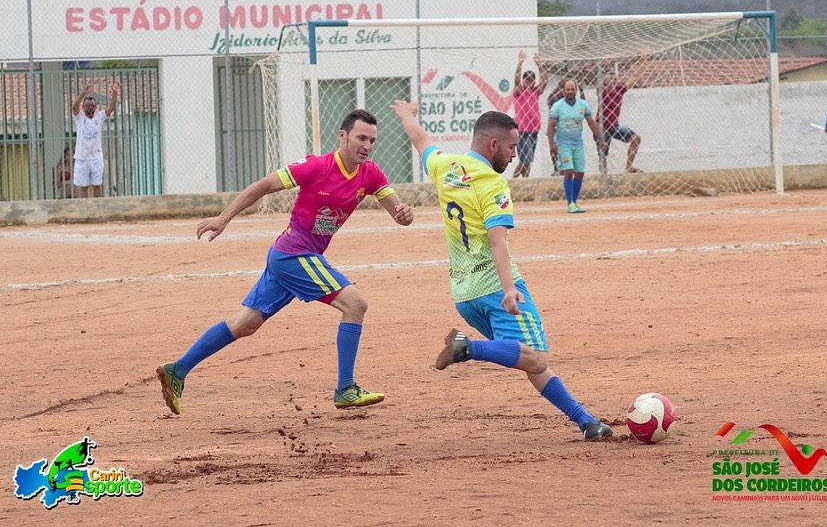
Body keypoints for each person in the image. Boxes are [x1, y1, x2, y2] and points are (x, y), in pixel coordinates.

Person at [156, 109, 414, 415]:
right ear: (342, 136)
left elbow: (398, 212)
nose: (367, 145)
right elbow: (264, 186)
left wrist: (404, 215)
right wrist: (224, 218)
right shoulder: (316, 166)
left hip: (291, 256)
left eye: (372, 140)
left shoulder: (370, 173)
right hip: (293, 253)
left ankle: (178, 369)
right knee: (355, 304)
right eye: (361, 137)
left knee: (244, 324)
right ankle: (346, 388)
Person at [390, 100, 611, 441]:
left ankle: (587, 422)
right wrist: (509, 289)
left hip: (464, 293)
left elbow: (419, 138)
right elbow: (497, 242)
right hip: (494, 287)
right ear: (493, 144)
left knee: (526, 358)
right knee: (536, 356)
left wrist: (406, 113)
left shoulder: (445, 165)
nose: (513, 155)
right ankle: (467, 348)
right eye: (510, 147)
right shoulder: (493, 184)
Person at [547, 79, 608, 213]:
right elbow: (550, 126)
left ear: (576, 90)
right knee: (568, 172)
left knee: (579, 173)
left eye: (572, 89)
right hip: (563, 144)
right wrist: (552, 144)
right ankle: (570, 204)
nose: (570, 91)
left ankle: (574, 202)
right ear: (563, 91)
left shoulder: (583, 105)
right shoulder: (557, 106)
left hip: (578, 144)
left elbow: (591, 123)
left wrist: (601, 140)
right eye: (567, 89)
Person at [597, 60, 646, 174]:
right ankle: (604, 174)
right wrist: (603, 70)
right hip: (601, 128)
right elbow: (598, 83)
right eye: (610, 78)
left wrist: (643, 60)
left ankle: (628, 167)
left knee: (636, 138)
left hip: (614, 127)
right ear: (605, 81)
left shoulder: (620, 89)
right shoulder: (602, 91)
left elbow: (635, 78)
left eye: (615, 79)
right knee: (603, 153)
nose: (613, 81)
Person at [71, 81, 119, 198]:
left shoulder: (100, 116)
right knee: (84, 187)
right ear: (84, 107)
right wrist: (83, 93)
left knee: (97, 186)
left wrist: (115, 93)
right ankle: (85, 210)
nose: (90, 107)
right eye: (87, 105)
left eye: (92, 105)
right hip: (82, 158)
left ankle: (98, 208)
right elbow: (74, 106)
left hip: (96, 158)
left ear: (95, 107)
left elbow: (111, 108)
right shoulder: (79, 117)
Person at [511, 50, 548, 178]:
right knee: (524, 161)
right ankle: (513, 182)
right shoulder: (519, 92)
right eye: (527, 79)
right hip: (522, 131)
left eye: (532, 79)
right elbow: (516, 80)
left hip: (534, 130)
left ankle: (525, 182)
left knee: (528, 161)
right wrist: (520, 63)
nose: (529, 81)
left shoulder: (535, 92)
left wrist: (539, 65)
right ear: (524, 80)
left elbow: (545, 81)